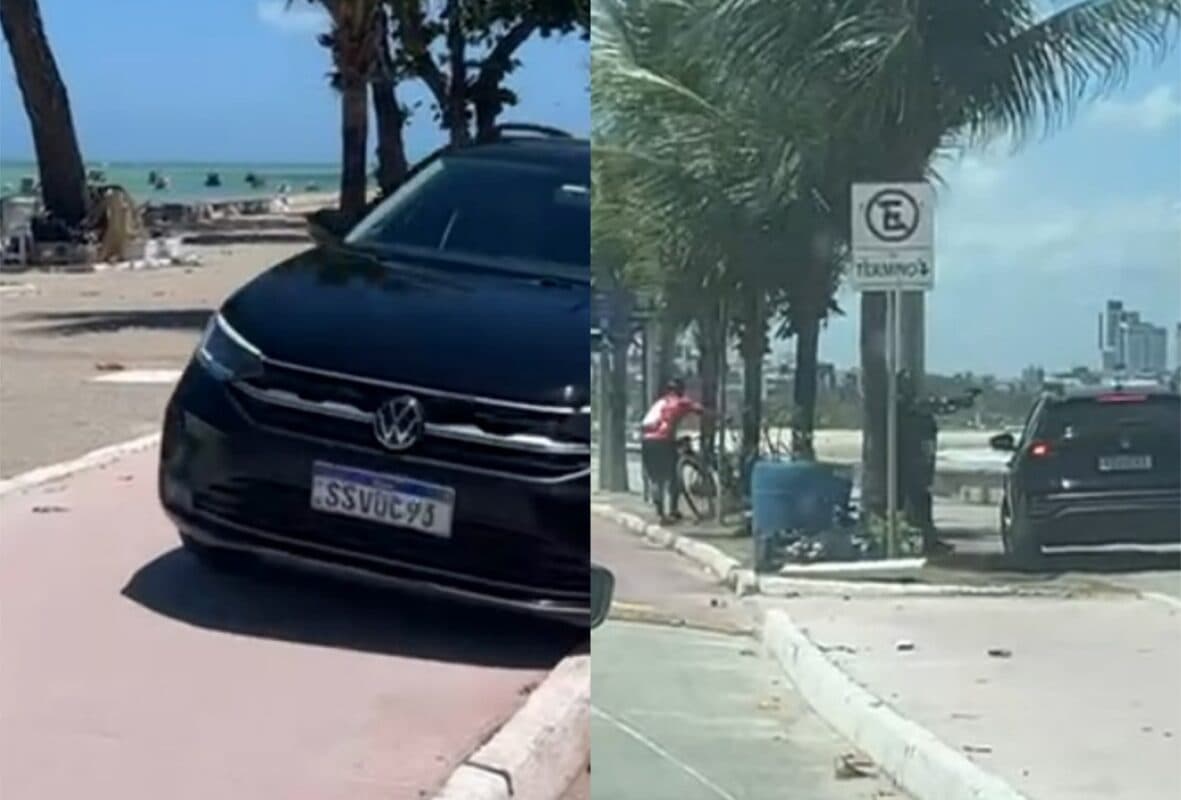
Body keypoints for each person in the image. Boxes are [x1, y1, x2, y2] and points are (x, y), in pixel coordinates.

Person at [640, 378, 704, 523]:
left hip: (647, 442)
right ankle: (673, 510)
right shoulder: (681, 402)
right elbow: (699, 410)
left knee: (656, 478)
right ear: (680, 390)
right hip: (663, 441)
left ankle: (661, 513)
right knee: (673, 476)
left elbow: (649, 424)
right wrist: (720, 416)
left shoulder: (660, 403)